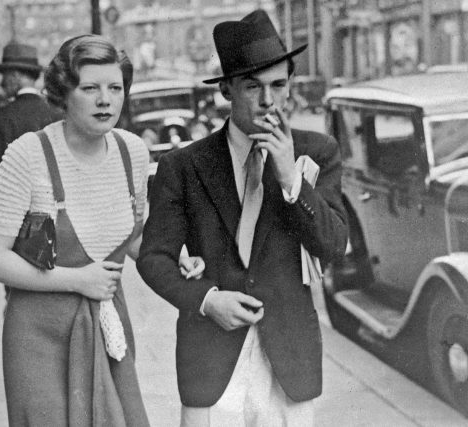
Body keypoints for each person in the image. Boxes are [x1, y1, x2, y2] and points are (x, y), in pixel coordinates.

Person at [137, 10, 348, 427]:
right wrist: (206, 299)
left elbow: (334, 245)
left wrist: (290, 180)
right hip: (211, 359)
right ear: (227, 91)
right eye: (253, 86)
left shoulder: (317, 152)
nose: (268, 100)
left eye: (278, 85)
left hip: (289, 362)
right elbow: (153, 256)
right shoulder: (184, 166)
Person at [0, 34, 202, 426]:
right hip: (39, 334)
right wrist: (78, 280)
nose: (105, 100)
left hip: (106, 324)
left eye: (115, 88)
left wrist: (173, 254)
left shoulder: (132, 152)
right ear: (63, 93)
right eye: (90, 88)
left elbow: (133, 234)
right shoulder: (27, 155)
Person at [0, 41, 62, 211]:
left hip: (13, 211)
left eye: (5, 75)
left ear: (15, 75)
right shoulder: (56, 115)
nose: (2, 82)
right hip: (51, 210)